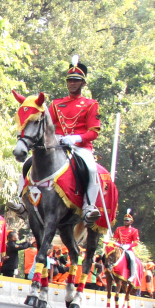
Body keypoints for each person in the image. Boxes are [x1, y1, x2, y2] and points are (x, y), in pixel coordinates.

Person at [50, 56, 102, 224]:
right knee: (30, 163)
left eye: (76, 81)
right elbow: (48, 126)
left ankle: (89, 207)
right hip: (58, 145)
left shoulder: (91, 104)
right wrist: (55, 138)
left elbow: (94, 132)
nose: (72, 83)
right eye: (70, 80)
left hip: (80, 147)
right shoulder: (56, 104)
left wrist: (76, 138)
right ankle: (23, 202)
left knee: (92, 170)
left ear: (83, 83)